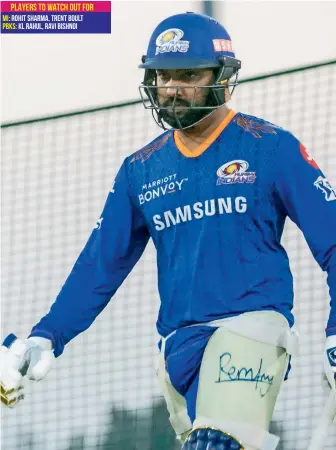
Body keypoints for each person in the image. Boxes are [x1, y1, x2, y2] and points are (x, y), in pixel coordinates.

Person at [1, 11, 336, 450]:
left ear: (222, 76)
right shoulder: (139, 169)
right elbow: (100, 264)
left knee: (216, 443)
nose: (172, 88)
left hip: (251, 331)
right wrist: (48, 335)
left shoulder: (271, 146)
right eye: (162, 76)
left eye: (188, 75)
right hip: (176, 346)